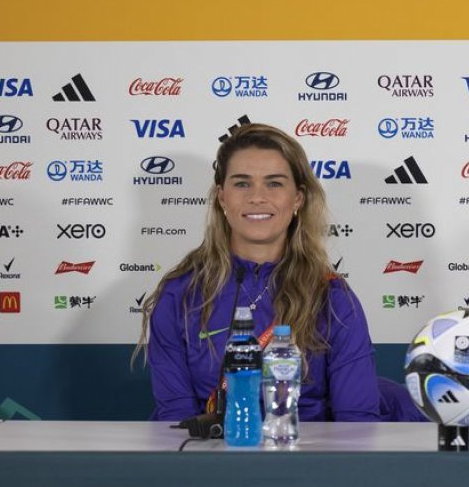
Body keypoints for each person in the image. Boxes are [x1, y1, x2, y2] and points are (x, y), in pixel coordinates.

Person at [138, 123, 382, 422]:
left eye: (274, 183)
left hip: (308, 460)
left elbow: (357, 423)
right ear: (221, 197)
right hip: (209, 459)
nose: (257, 197)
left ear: (298, 199)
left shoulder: (332, 297)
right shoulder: (180, 293)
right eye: (242, 183)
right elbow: (176, 418)